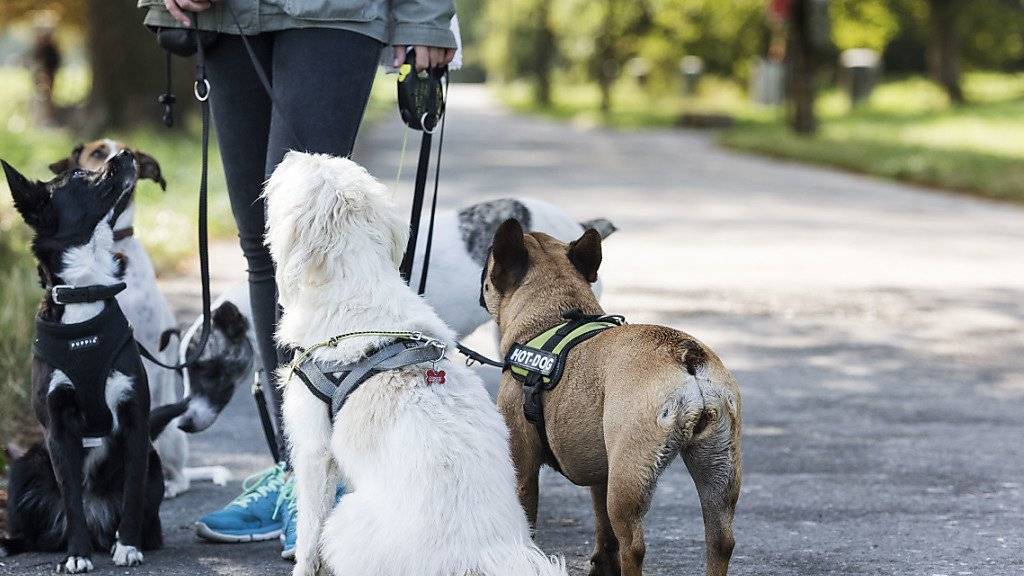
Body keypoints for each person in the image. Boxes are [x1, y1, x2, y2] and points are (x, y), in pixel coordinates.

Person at [138, 0, 456, 561]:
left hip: (330, 14)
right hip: (228, 16)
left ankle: (334, 483)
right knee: (263, 246)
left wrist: (425, 18)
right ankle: (299, 472)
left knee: (312, 240)